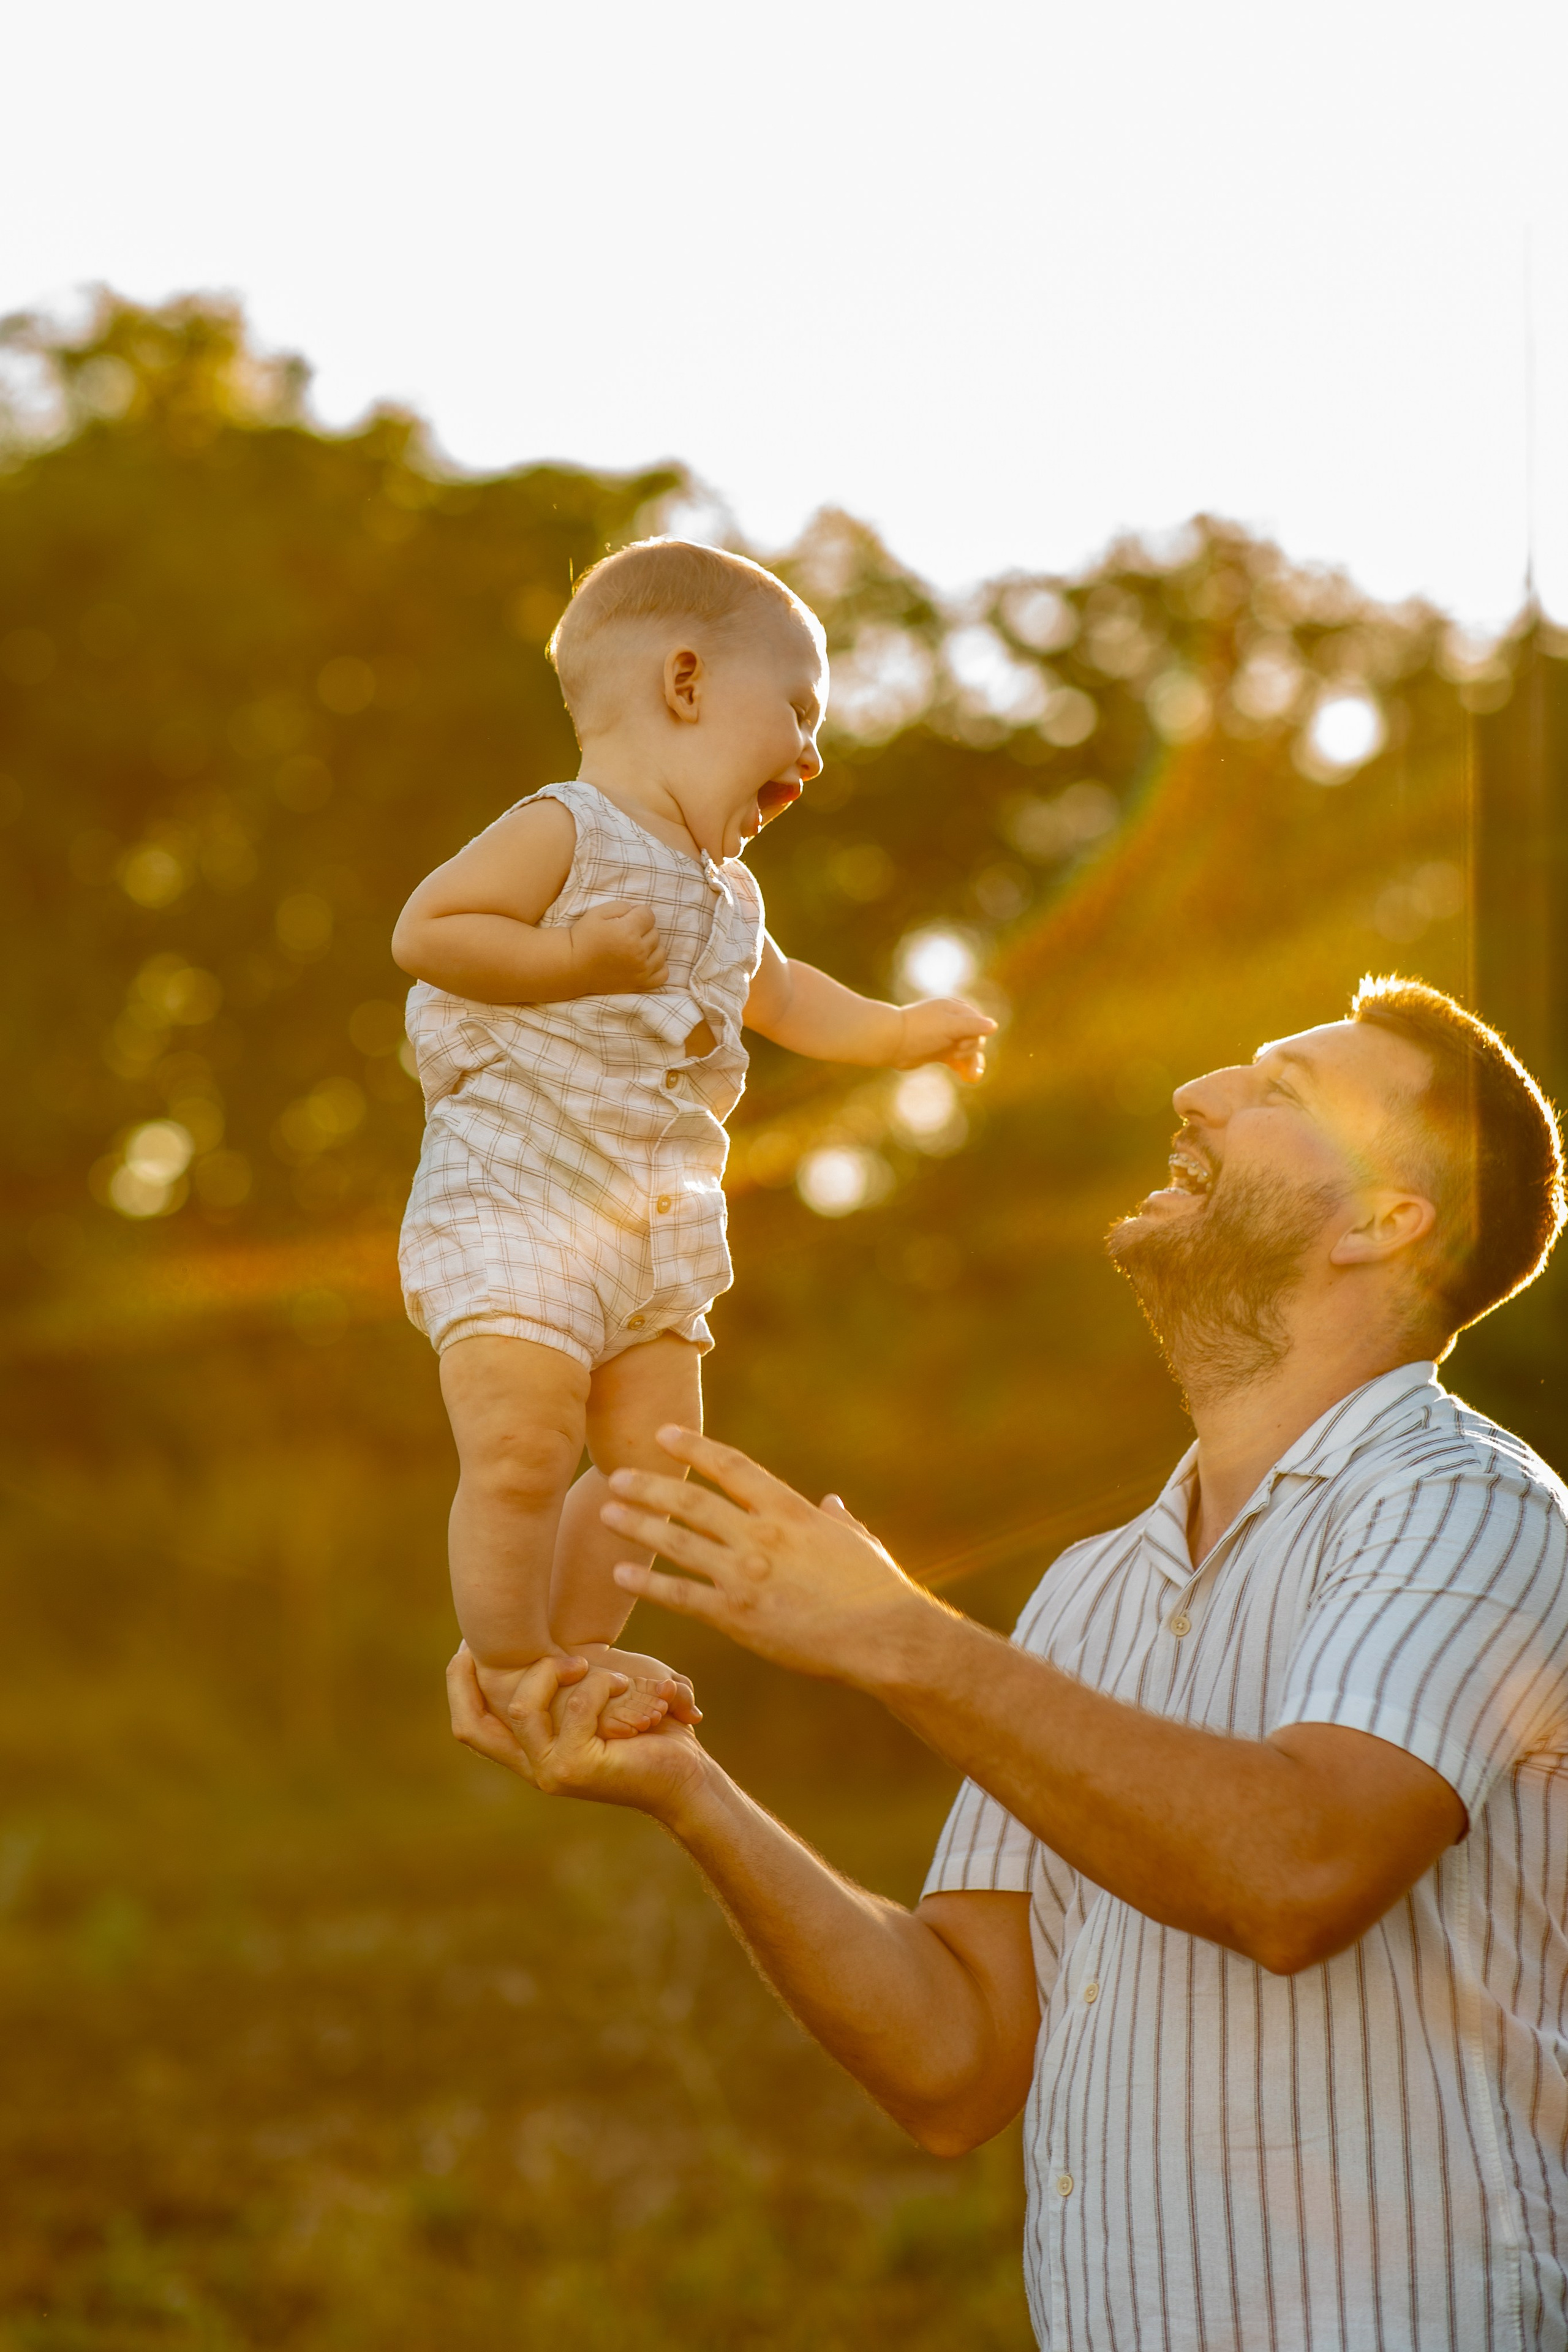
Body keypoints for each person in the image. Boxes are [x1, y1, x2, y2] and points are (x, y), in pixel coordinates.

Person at [450, 976, 1568, 2351]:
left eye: (1280, 1090)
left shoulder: (1465, 1508)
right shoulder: (1088, 1592)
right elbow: (956, 2062)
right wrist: (689, 1787)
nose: (1196, 1092)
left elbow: (1301, 1870)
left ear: (1386, 1221)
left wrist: (897, 1639)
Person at [393, 538, 994, 1740]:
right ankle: (508, 1664)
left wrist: (898, 1034)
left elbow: (783, 998)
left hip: (654, 1227)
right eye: (798, 711)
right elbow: (428, 929)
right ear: (684, 685)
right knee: (521, 1448)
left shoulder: (731, 899)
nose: (811, 754)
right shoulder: (563, 829)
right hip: (514, 1193)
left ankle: (574, 1657)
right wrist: (568, 958)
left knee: (653, 1471)